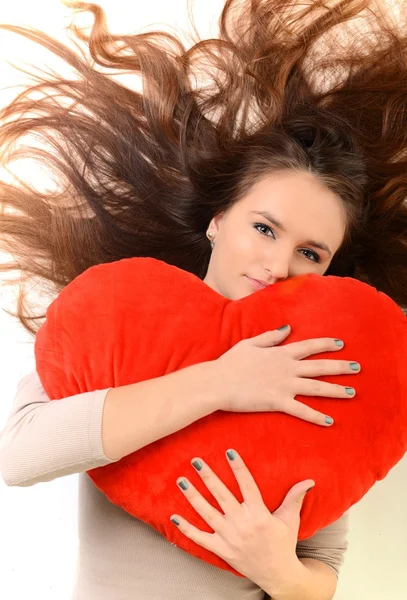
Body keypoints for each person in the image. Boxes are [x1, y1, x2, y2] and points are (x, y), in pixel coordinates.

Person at [0, 1, 406, 599]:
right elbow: (21, 453)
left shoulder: (323, 358)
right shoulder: (117, 319)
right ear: (218, 221)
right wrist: (220, 382)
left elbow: (323, 563)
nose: (277, 264)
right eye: (264, 229)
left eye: (311, 253)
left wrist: (280, 572)